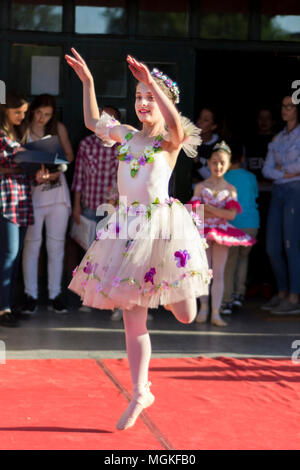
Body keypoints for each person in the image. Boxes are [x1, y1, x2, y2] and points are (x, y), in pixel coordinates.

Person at [65, 48, 211, 430]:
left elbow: (177, 127)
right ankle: (139, 391)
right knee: (132, 319)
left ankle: (167, 288)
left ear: (164, 104)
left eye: (149, 97)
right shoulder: (128, 136)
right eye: (139, 96)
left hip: (162, 230)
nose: (143, 102)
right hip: (126, 231)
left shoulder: (170, 143)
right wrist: (89, 82)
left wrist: (154, 83)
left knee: (185, 315)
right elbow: (93, 120)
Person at [189, 141, 256, 327]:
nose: (218, 166)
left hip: (221, 231)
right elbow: (195, 211)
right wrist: (214, 211)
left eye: (222, 163)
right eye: (214, 162)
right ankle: (203, 308)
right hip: (203, 231)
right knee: (203, 272)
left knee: (219, 272)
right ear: (209, 163)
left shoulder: (230, 189)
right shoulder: (201, 187)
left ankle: (216, 312)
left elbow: (231, 214)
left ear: (228, 165)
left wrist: (209, 209)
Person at [21, 94, 74, 314]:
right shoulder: (23, 129)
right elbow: (18, 159)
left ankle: (55, 294)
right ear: (33, 110)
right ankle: (30, 294)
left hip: (57, 194)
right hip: (33, 193)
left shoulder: (58, 128)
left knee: (56, 245)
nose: (43, 118)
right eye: (40, 113)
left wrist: (55, 168)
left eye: (48, 114)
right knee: (31, 245)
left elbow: (69, 156)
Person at [0, 92, 48, 327]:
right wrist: (23, 168)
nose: (22, 116)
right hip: (5, 199)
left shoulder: (17, 134)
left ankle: (8, 303)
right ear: (5, 110)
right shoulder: (2, 135)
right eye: (17, 112)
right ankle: (3, 308)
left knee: (14, 255)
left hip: (20, 198)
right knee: (9, 254)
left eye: (24, 112)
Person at [71, 105, 124, 320]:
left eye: (111, 120)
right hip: (89, 204)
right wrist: (76, 205)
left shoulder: (121, 146)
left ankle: (110, 299)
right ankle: (87, 296)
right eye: (102, 119)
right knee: (89, 254)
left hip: (112, 207)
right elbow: (79, 177)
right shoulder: (86, 144)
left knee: (112, 255)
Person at [262, 95, 300, 314]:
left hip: (295, 191)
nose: (285, 110)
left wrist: (280, 172)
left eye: (290, 106)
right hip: (278, 190)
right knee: (272, 247)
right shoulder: (277, 138)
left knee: (291, 244)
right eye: (283, 106)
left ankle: (294, 297)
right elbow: (266, 169)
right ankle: (283, 292)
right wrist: (285, 172)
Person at [222, 143, 259, 314]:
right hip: (251, 224)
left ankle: (227, 300)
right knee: (243, 260)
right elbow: (255, 195)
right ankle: (239, 294)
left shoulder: (224, 177)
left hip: (232, 224)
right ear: (243, 159)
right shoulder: (251, 177)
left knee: (229, 263)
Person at [243, 107, 276, 298]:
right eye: (260, 118)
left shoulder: (277, 141)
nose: (264, 122)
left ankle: (268, 283)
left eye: (268, 118)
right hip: (252, 198)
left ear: (273, 121)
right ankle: (253, 281)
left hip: (272, 197)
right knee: (252, 242)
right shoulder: (250, 141)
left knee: (268, 241)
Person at [192, 107, 222, 184]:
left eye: (205, 120)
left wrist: (197, 162)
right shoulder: (189, 139)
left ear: (213, 126)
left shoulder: (220, 147)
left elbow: (215, 179)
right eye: (199, 118)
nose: (200, 122)